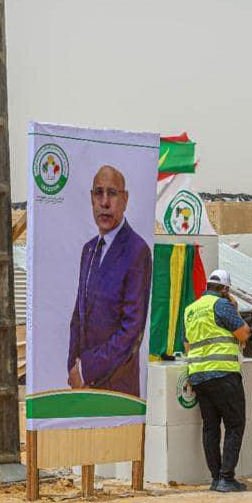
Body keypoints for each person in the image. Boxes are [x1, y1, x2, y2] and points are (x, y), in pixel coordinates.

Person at [67, 165, 152, 397]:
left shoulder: (137, 251)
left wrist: (87, 368)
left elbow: (131, 330)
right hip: (83, 386)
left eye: (112, 193)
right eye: (99, 193)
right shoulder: (89, 250)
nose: (105, 202)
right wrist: (74, 368)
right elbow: (79, 315)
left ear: (125, 199)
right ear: (91, 198)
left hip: (117, 390)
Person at [182, 269, 251, 492]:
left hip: (199, 376)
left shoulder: (190, 310)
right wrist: (233, 307)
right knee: (235, 424)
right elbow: (243, 334)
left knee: (210, 427)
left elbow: (187, 345)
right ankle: (227, 477)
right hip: (223, 373)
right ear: (225, 289)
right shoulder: (221, 305)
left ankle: (215, 478)